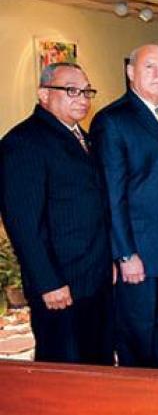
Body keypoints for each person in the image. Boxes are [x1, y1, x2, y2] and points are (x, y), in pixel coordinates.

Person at [0, 63, 113, 365]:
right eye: (71, 90)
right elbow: (23, 223)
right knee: (63, 371)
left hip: (94, 278)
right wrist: (48, 282)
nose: (83, 98)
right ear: (43, 94)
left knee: (97, 364)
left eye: (87, 91)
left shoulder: (83, 137)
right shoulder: (24, 143)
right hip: (60, 284)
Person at [91, 44, 158, 369]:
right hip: (138, 254)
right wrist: (124, 254)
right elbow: (112, 193)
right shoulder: (113, 120)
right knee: (137, 339)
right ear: (130, 72)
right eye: (150, 67)